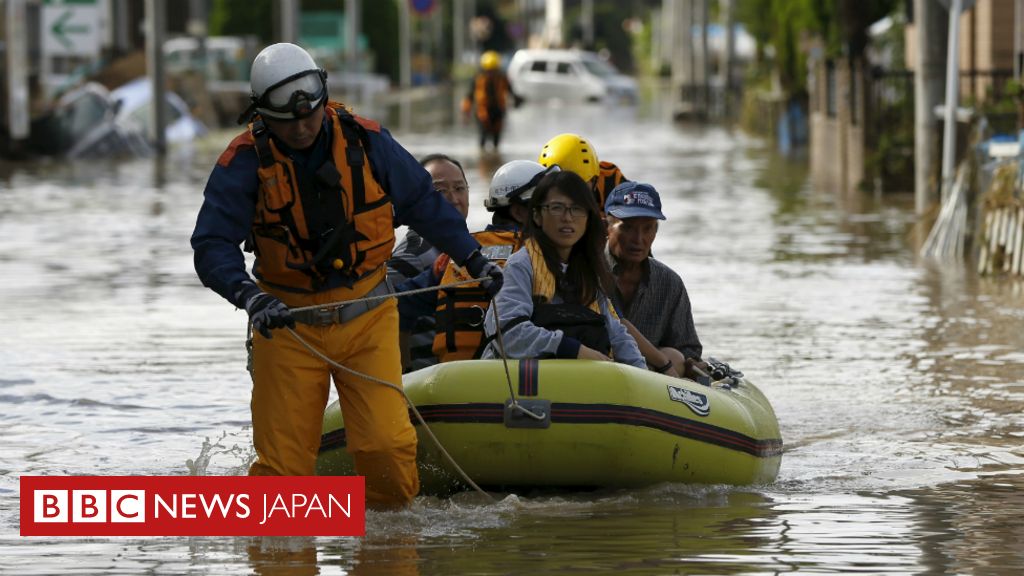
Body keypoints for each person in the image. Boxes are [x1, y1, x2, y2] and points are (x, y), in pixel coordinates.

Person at [190, 43, 503, 510]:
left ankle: (386, 552)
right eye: (286, 120)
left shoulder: (369, 140)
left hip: (369, 319)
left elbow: (423, 203)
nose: (301, 126)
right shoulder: (243, 164)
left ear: (322, 97)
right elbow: (211, 245)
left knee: (386, 449)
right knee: (282, 470)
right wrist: (248, 296)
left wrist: (473, 259)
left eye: (309, 114)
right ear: (261, 116)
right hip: (288, 325)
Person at [396, 160, 558, 368]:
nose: (559, 216)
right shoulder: (543, 257)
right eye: (549, 208)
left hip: (454, 382)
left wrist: (406, 370)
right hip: (525, 382)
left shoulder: (456, 257)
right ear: (519, 212)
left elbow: (397, 306)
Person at [481, 170, 646, 368]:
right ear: (537, 216)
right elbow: (507, 333)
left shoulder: (590, 272)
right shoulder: (520, 266)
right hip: (520, 386)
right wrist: (574, 350)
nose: (567, 218)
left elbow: (617, 335)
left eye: (577, 209)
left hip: (580, 384)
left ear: (588, 219)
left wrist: (640, 372)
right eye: (557, 208)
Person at [603, 181, 706, 379]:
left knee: (675, 356)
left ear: (656, 232)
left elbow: (687, 352)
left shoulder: (669, 283)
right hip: (596, 375)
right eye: (628, 228)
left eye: (648, 228)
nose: (638, 239)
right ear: (607, 227)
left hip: (654, 390)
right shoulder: (587, 272)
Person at [387, 154, 469, 372]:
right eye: (440, 191)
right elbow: (382, 323)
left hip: (461, 377)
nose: (453, 199)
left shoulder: (472, 253)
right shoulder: (408, 258)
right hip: (424, 384)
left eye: (460, 188)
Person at [537, 132, 629, 211]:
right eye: (562, 191)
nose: (571, 198)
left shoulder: (613, 185)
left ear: (594, 180)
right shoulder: (534, 200)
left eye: (577, 187)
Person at [462, 50, 523, 151]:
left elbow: (511, 91)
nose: (491, 73)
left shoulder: (502, 78)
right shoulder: (478, 78)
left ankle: (495, 158)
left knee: (497, 138)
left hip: (499, 110)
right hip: (482, 111)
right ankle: (482, 159)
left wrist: (518, 100)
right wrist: (465, 111)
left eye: (493, 70)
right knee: (483, 136)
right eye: (489, 71)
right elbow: (469, 96)